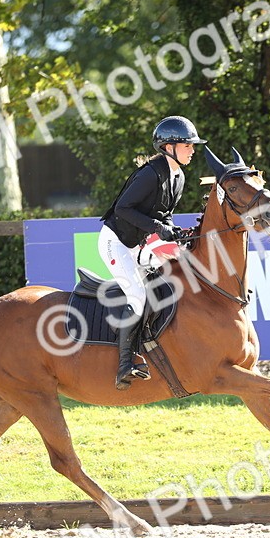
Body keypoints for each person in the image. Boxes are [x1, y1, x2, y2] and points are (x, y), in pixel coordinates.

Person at [99, 115, 206, 389]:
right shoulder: (150, 174)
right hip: (117, 242)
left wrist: (173, 231)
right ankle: (125, 364)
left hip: (139, 243)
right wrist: (159, 227)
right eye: (187, 145)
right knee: (137, 294)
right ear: (168, 146)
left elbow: (164, 215)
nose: (192, 150)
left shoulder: (179, 177)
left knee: (177, 270)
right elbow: (122, 209)